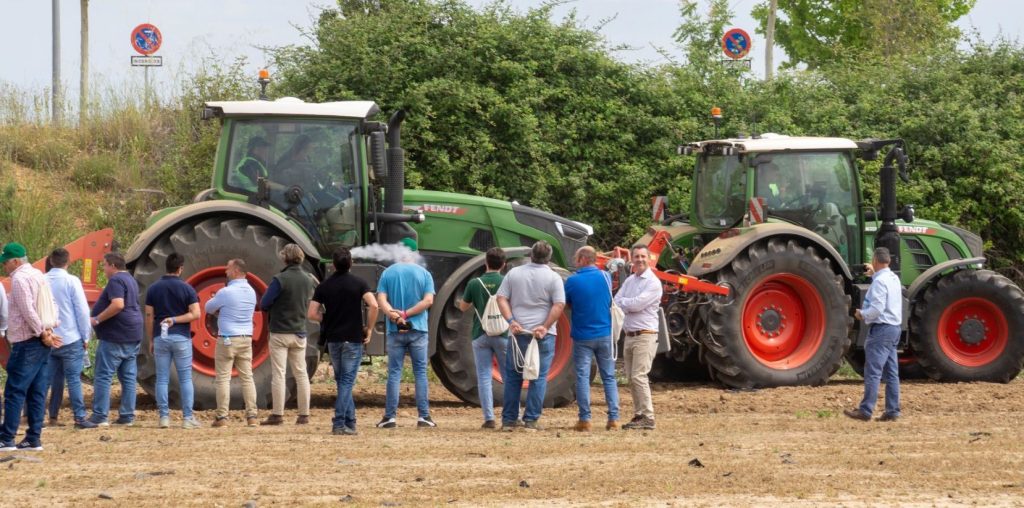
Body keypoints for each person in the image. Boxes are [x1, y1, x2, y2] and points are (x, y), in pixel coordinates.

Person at [496, 240, 566, 432]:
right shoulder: (554, 277)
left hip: (518, 333)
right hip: (542, 335)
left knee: (513, 376)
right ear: (549, 258)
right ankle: (531, 420)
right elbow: (559, 305)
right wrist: (545, 326)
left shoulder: (514, 273)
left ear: (531, 255)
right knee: (538, 377)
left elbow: (501, 298)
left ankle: (509, 420)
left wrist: (511, 321)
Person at [308, 247, 378, 436]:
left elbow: (312, 313)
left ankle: (351, 422)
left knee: (342, 382)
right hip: (353, 339)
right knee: (346, 382)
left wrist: (326, 319)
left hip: (333, 340)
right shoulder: (359, 283)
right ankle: (339, 423)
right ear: (351, 263)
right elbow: (374, 305)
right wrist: (369, 328)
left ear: (333, 264)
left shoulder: (324, 286)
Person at [0, 242, 59, 451]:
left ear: (16, 261)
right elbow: (51, 304)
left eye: (6, 262)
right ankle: (33, 438)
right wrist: (49, 329)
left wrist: (42, 332)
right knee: (37, 391)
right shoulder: (38, 275)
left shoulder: (19, 279)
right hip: (42, 342)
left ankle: (6, 438)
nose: (4, 266)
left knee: (15, 390)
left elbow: (27, 310)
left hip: (27, 342)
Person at [375, 237, 436, 429]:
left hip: (395, 330)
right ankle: (424, 417)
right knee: (420, 372)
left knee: (394, 373)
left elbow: (381, 301)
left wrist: (395, 316)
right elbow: (428, 301)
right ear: (415, 253)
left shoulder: (388, 273)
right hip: (418, 329)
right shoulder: (424, 274)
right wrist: (407, 314)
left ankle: (390, 417)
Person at [563, 246, 620, 432]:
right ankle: (613, 418)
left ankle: (585, 419)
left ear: (582, 259)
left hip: (582, 336)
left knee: (582, 376)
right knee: (609, 376)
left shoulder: (572, 281)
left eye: (576, 258)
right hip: (604, 333)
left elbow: (567, 303)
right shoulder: (606, 277)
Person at [259, 244, 317, 426]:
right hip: (299, 332)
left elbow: (264, 303)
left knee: (279, 373)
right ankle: (304, 415)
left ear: (285, 258)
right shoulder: (308, 279)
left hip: (279, 333)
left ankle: (278, 414)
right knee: (301, 373)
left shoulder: (280, 279)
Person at [144, 252, 202, 429]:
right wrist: (175, 320)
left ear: (166, 267)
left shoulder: (153, 288)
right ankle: (187, 418)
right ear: (180, 268)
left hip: (160, 338)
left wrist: (151, 339)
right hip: (181, 338)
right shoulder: (187, 289)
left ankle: (164, 417)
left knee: (162, 378)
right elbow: (196, 314)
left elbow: (149, 316)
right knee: (185, 379)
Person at [845, 247, 903, 422]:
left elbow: (877, 308)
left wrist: (862, 314)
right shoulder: (893, 278)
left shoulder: (879, 282)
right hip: (894, 328)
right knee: (891, 372)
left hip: (881, 330)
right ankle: (892, 411)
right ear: (888, 261)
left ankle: (866, 410)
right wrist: (874, 273)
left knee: (873, 371)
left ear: (875, 260)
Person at [88, 252, 143, 427]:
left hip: (116, 335)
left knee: (103, 376)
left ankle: (100, 416)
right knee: (128, 377)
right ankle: (127, 416)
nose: (104, 269)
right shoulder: (131, 279)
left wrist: (97, 319)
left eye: (104, 265)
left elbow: (118, 304)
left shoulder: (116, 280)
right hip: (133, 333)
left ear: (112, 265)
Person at [44, 248, 96, 430]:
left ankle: (43, 417)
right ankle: (79, 418)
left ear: (51, 261)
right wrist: (86, 336)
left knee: (46, 380)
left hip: (48, 338)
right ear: (68, 261)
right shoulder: (72, 281)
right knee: (73, 379)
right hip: (70, 338)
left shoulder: (41, 280)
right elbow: (82, 311)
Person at [457, 247, 507, 429]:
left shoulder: (474, 283)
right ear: (503, 264)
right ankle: (512, 415)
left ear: (486, 262)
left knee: (484, 377)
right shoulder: (506, 282)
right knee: (509, 376)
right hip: (503, 334)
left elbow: (463, 307)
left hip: (480, 334)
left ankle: (489, 418)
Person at [205, 258, 259, 427]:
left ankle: (222, 417)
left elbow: (208, 308)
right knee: (247, 377)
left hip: (227, 339)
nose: (226, 271)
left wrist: (220, 310)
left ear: (236, 271)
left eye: (228, 268)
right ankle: (252, 416)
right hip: (246, 338)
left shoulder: (225, 292)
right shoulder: (251, 292)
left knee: (223, 379)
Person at [614, 245, 663, 431]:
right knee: (631, 377)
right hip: (629, 335)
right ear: (632, 259)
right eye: (637, 256)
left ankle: (648, 417)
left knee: (639, 376)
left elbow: (636, 304)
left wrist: (626, 303)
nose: (640, 260)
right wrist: (628, 303)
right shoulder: (630, 281)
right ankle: (639, 414)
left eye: (643, 256)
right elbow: (616, 301)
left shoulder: (653, 283)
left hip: (645, 335)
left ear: (649, 259)